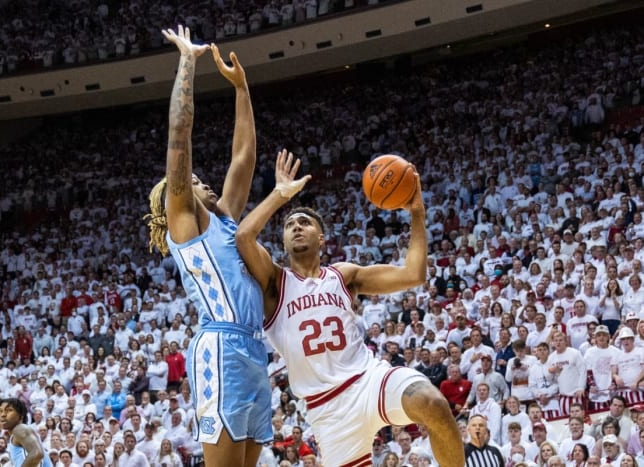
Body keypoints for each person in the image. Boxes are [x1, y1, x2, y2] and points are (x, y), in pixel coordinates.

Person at [234, 151, 464, 467]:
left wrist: (417, 214)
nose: (297, 227)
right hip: (327, 409)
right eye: (290, 225)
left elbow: (413, 274)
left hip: (368, 379)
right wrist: (279, 194)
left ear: (322, 238)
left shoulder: (344, 275)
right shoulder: (275, 282)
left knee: (433, 403)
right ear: (284, 241)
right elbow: (244, 236)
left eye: (304, 222)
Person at [142, 26, 271, 465]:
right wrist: (187, 61)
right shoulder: (186, 225)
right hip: (221, 347)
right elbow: (180, 135)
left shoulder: (226, 219)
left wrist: (241, 89)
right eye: (193, 182)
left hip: (254, 347)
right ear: (176, 201)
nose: (202, 182)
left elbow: (244, 157)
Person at [0, 398, 53, 467]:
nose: (3, 415)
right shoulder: (17, 434)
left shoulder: (20, 429)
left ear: (21, 416)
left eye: (9, 410)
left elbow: (37, 454)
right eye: (0, 411)